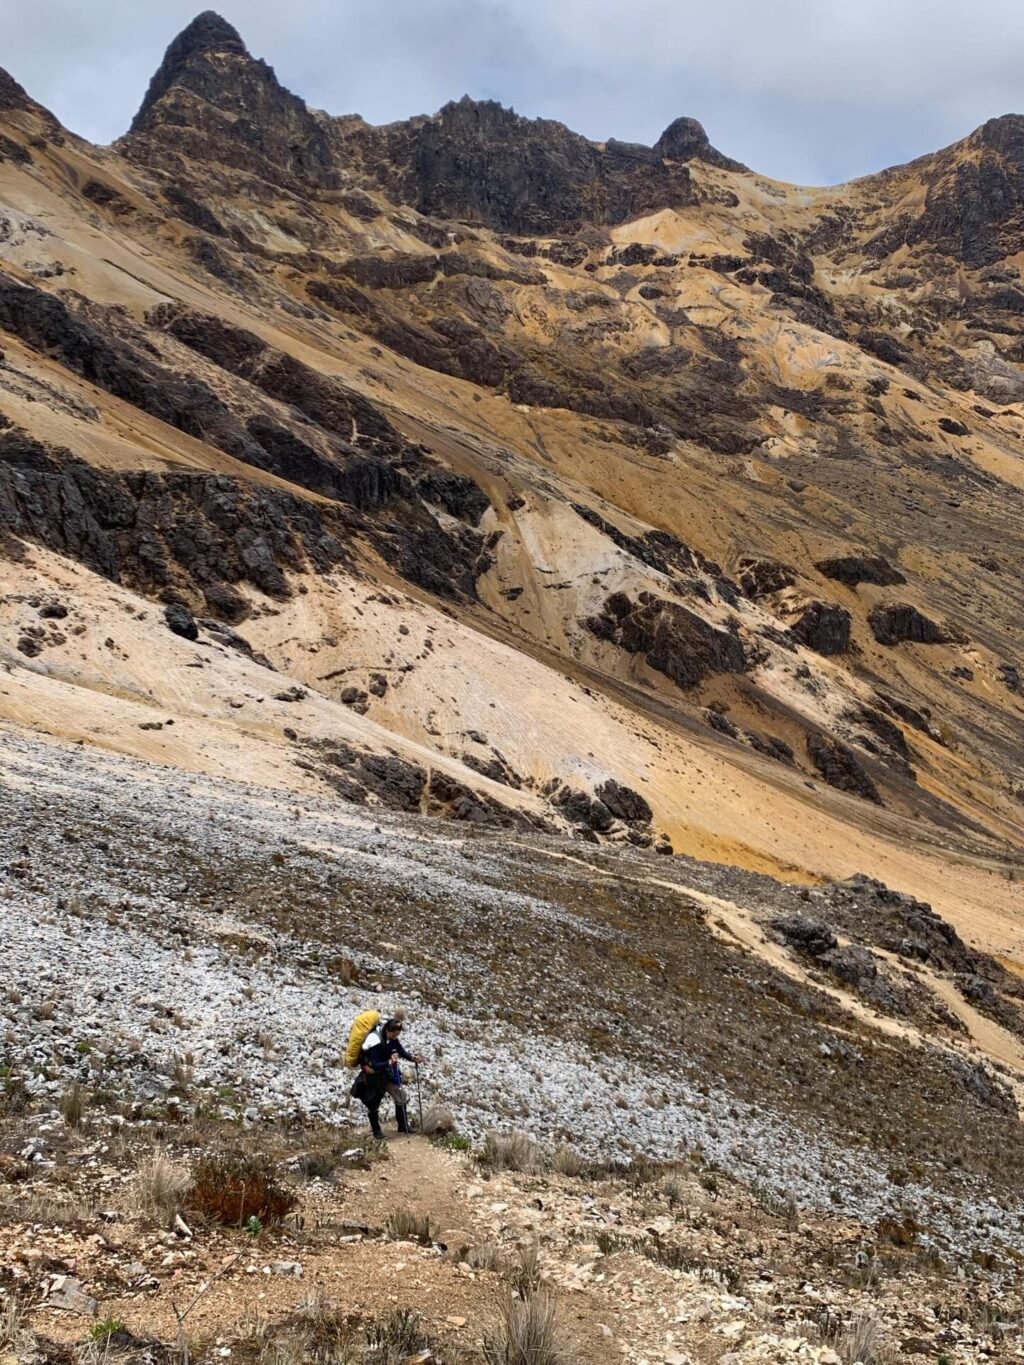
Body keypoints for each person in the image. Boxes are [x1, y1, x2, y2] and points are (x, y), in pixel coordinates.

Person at [355, 1016, 421, 1138]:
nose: (395, 1038)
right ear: (388, 1031)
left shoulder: (391, 1038)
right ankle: (376, 1131)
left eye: (397, 1035)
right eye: (394, 1035)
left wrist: (411, 1058)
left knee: (401, 1096)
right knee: (373, 1102)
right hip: (373, 1075)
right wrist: (389, 1062)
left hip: (385, 1073)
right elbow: (374, 1063)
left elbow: (399, 1049)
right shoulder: (375, 1040)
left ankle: (403, 1126)